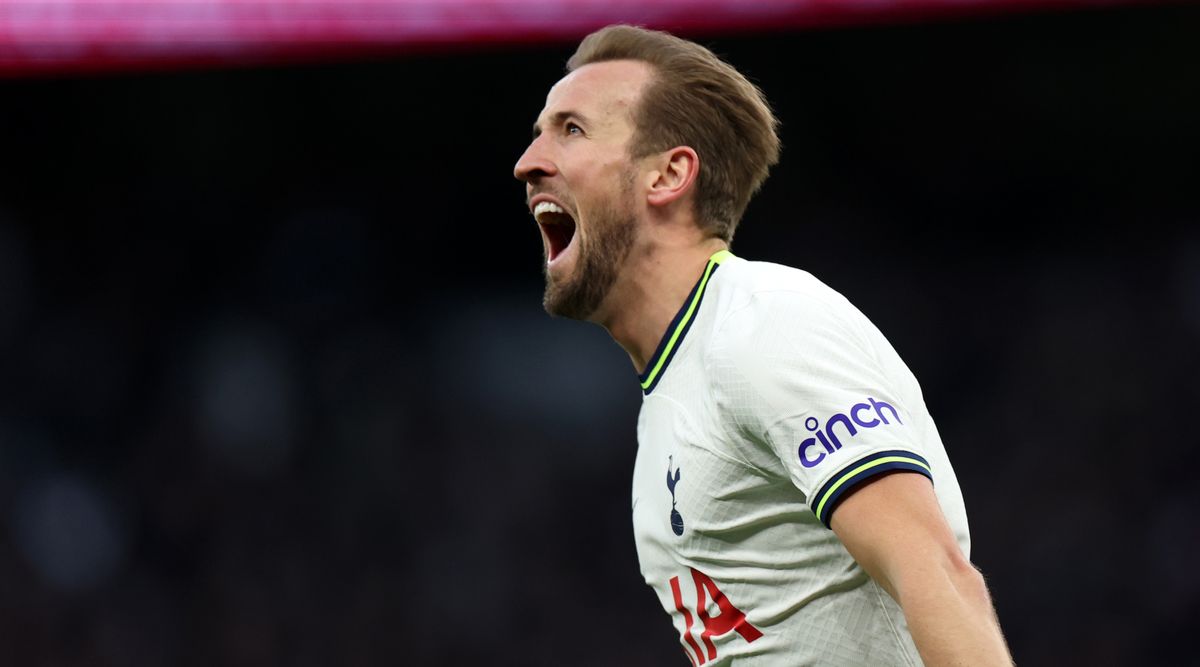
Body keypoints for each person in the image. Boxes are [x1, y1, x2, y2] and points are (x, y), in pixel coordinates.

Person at [513, 24, 1012, 666]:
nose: (528, 162)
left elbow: (941, 576)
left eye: (571, 129)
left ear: (668, 174)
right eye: (538, 132)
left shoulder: (764, 327)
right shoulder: (672, 396)